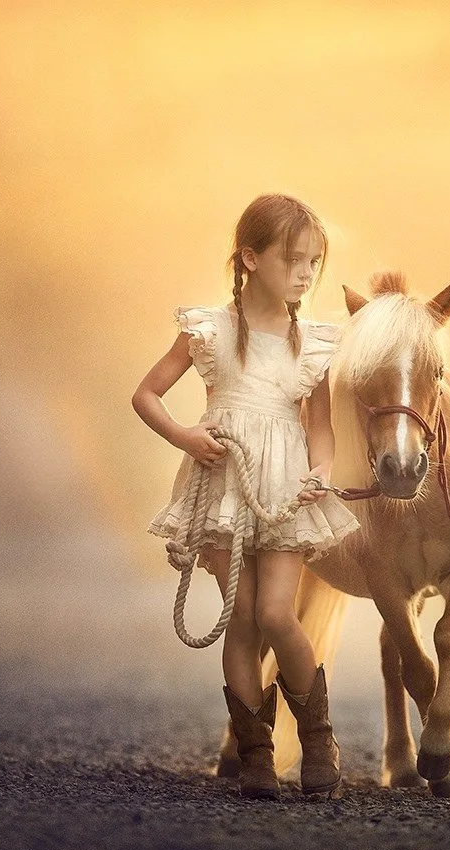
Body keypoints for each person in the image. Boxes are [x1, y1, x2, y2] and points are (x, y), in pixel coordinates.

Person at [131, 194, 359, 799]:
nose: (307, 273)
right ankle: (255, 753)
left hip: (284, 490)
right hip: (225, 485)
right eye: (294, 260)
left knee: (277, 614)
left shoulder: (312, 343)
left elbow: (320, 427)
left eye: (315, 261)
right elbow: (146, 394)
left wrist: (321, 470)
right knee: (241, 619)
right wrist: (184, 434)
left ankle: (317, 740)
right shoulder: (208, 331)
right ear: (250, 259)